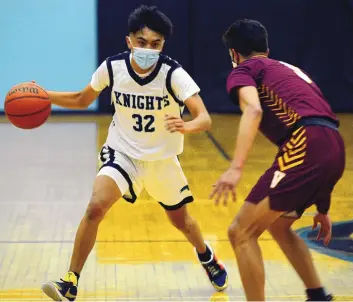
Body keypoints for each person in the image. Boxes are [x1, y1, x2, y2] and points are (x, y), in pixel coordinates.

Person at [41, 5, 228, 301]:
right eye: (142, 43)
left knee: (182, 221)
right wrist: (44, 95)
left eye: (156, 44)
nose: (148, 49)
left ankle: (206, 255)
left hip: (162, 160)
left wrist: (187, 125)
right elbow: (80, 98)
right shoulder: (112, 67)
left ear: (163, 45)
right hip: (122, 153)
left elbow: (204, 117)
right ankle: (70, 281)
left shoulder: (173, 73)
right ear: (129, 41)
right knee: (95, 207)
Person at [210, 19, 345, 301]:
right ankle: (318, 295)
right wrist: (322, 205)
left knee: (240, 232)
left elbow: (254, 111)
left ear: (233, 53)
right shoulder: (289, 70)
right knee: (278, 224)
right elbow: (321, 122)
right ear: (266, 48)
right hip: (333, 144)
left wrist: (235, 168)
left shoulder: (244, 69)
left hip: (305, 144)